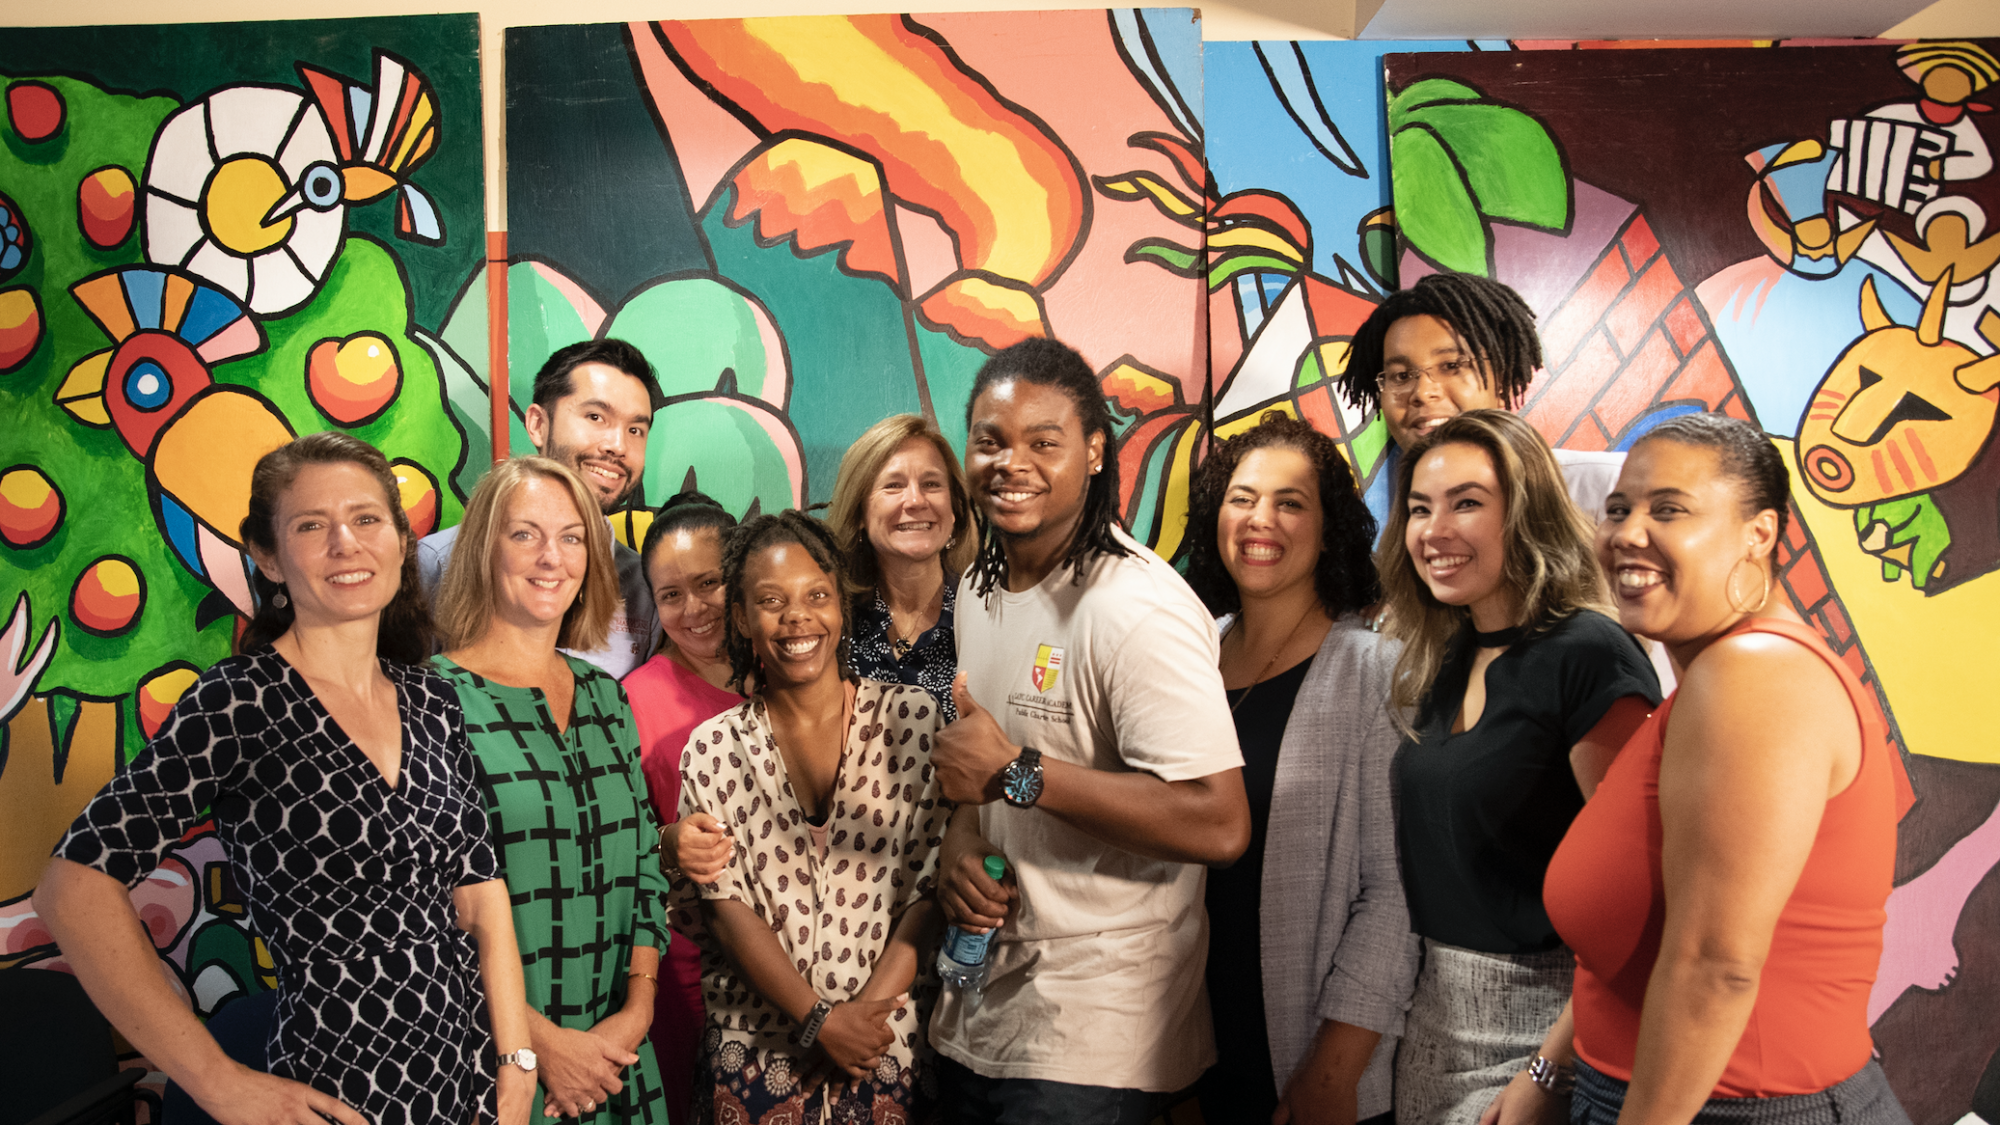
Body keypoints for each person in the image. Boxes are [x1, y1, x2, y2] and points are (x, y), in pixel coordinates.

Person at [35, 431, 532, 1125]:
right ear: (268, 557)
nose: (345, 543)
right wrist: (218, 1081)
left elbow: (480, 895)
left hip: (471, 1086)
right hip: (335, 1091)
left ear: (397, 539)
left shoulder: (431, 699)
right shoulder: (242, 700)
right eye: (310, 525)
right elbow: (73, 885)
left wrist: (515, 1066)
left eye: (366, 518)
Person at [1511, 414, 1915, 1125]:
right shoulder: (1711, 681)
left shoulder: (1754, 675)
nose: (1628, 532)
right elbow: (1642, 942)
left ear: (1760, 533)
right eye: (1619, 508)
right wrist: (1551, 1072)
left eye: (1669, 509)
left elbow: (1714, 965)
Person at [928, 337, 1251, 1121]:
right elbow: (984, 763)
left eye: (1046, 441)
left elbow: (1219, 820)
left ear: (1096, 451)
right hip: (979, 1013)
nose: (1013, 463)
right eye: (991, 440)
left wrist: (1016, 774)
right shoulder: (978, 586)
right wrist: (963, 839)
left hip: (1100, 1040)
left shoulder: (1138, 608)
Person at [1377, 410, 1661, 1125]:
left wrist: (1550, 1067)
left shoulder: (1588, 653)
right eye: (1419, 507)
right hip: (1433, 1028)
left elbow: (1645, 901)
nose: (1434, 530)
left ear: (1526, 511)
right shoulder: (1443, 654)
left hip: (1551, 1030)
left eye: (1466, 502)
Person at [672, 511, 949, 1122]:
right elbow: (726, 909)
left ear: (840, 608)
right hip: (753, 1057)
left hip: (887, 1047)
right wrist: (819, 1020)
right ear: (742, 617)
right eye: (772, 600)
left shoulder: (913, 721)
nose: (797, 616)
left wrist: (860, 1022)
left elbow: (929, 888)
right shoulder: (713, 748)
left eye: (816, 595)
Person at [1181, 411, 1417, 1125]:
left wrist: (1333, 1070)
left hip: (1311, 1058)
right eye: (1243, 497)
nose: (1262, 520)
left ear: (1328, 527)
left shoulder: (1375, 671)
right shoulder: (1189, 656)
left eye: (1291, 502)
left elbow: (1396, 895)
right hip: (1192, 1050)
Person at [431, 456, 674, 1122]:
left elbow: (646, 867)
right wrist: (547, 1046)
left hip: (618, 1062)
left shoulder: (605, 698)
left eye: (572, 537)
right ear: (484, 547)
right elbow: (432, 913)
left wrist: (637, 1008)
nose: (552, 557)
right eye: (525, 534)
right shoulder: (428, 702)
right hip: (501, 1066)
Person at [420, 339, 666, 677]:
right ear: (538, 424)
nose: (617, 445)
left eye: (635, 429)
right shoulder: (435, 564)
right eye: (595, 416)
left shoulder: (646, 588)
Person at [623, 489, 742, 1123]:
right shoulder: (634, 701)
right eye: (671, 595)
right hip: (684, 978)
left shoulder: (793, 676)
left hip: (797, 972)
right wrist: (668, 842)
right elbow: (612, 845)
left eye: (710, 584)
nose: (694, 609)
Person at [1333, 270, 1626, 519]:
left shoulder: (1607, 491)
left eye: (1451, 365)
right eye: (1401, 376)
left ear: (1501, 378)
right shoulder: (1407, 538)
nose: (1422, 392)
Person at [826, 414, 977, 722]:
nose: (915, 500)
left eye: (931, 484)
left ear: (956, 509)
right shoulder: (829, 620)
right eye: (893, 485)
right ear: (859, 511)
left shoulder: (986, 614)